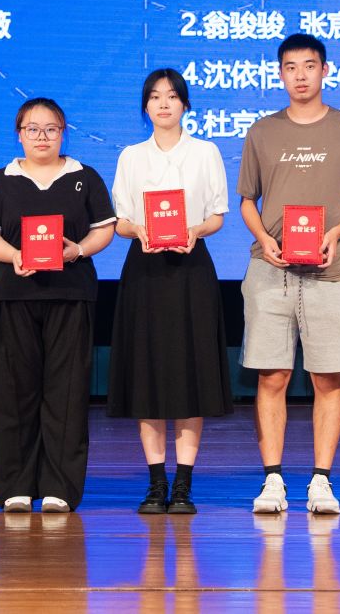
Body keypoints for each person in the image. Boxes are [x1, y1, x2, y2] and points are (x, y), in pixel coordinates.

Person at [237, 32, 340, 516]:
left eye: (309, 66)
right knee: (271, 376)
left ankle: (321, 480)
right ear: (280, 74)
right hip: (270, 270)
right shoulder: (262, 131)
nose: (300, 75)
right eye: (291, 67)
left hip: (331, 271)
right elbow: (247, 201)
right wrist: (266, 238)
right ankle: (273, 479)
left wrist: (335, 232)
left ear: (325, 70)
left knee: (327, 377)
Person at [0, 97, 117, 512]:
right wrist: (13, 255)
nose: (42, 136)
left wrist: (78, 251)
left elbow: (103, 229)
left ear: (63, 133)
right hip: (14, 294)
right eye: (32, 129)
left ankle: (60, 487)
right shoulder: (1, 180)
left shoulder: (84, 177)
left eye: (51, 129)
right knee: (14, 390)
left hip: (71, 293)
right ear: (19, 134)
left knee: (66, 391)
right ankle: (15, 485)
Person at [107, 68, 234, 515]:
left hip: (191, 268)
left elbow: (217, 215)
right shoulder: (131, 156)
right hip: (144, 270)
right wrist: (139, 230)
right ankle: (156, 483)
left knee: (189, 374)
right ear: (146, 107)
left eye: (172, 96)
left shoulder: (206, 152)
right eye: (155, 97)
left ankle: (183, 484)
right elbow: (120, 221)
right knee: (148, 373)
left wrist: (195, 230)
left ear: (185, 104)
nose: (164, 103)